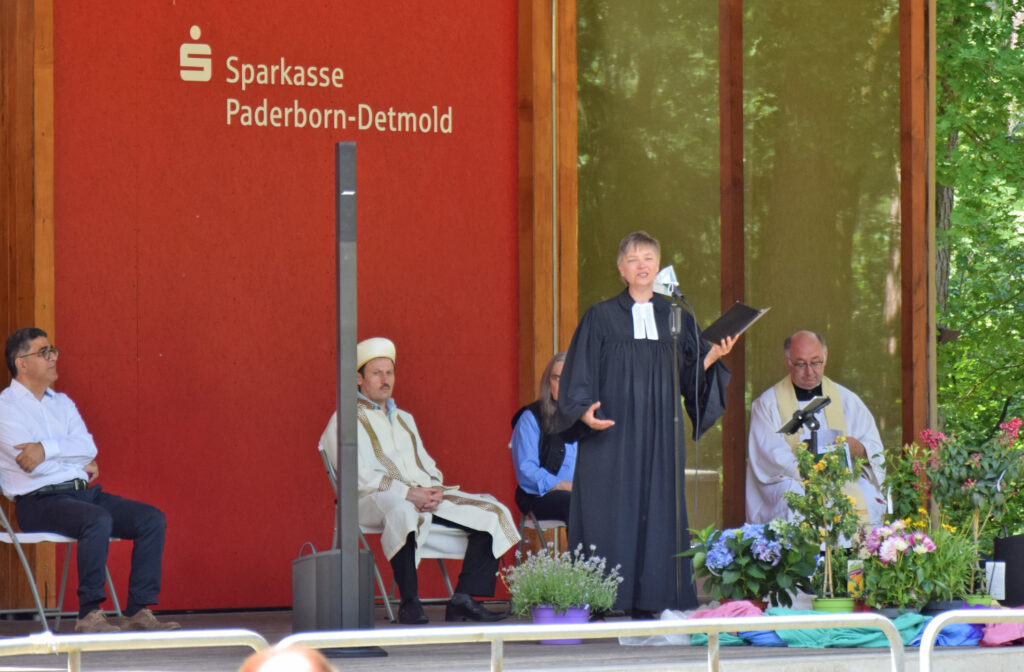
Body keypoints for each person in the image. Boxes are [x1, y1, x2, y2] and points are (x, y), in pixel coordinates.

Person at [558, 231, 735, 617]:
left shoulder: (676, 316)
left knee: (658, 510)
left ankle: (655, 599)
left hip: (660, 434)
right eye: (634, 259)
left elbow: (688, 378)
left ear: (658, 266)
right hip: (611, 432)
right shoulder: (600, 317)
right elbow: (579, 373)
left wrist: (711, 358)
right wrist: (584, 411)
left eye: (649, 259)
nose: (642, 265)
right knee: (609, 512)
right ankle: (602, 598)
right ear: (622, 269)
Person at [319, 337, 519, 626]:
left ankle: (464, 598)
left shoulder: (404, 419)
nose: (385, 380)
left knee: (492, 510)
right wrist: (407, 492)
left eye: (389, 373)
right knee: (400, 508)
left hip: (419, 497)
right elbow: (356, 475)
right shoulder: (345, 419)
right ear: (359, 379)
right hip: (370, 500)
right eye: (376, 373)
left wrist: (433, 488)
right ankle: (409, 603)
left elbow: (427, 463)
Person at [0, 327, 179, 633]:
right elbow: (33, 468)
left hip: (81, 494)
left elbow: (88, 448)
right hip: (39, 501)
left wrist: (46, 449)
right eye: (44, 352)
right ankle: (90, 613)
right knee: (97, 520)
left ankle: (138, 609)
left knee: (151, 519)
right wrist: (71, 461)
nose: (54, 357)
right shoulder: (6, 408)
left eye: (53, 350)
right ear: (22, 363)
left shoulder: (63, 403)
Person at [745, 330, 886, 526]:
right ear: (788, 361)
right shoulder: (768, 404)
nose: (810, 371)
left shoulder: (848, 401)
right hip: (795, 480)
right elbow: (771, 456)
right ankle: (806, 557)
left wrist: (860, 449)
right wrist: (812, 474)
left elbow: (874, 449)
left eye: (815, 362)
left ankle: (855, 556)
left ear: (825, 358)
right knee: (794, 502)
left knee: (868, 497)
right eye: (801, 364)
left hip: (842, 480)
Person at [509, 352, 576, 523]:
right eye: (557, 378)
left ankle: (609, 551)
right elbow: (527, 471)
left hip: (584, 492)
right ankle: (583, 551)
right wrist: (563, 485)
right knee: (577, 503)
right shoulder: (531, 418)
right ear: (548, 383)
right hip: (541, 495)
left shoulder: (590, 418)